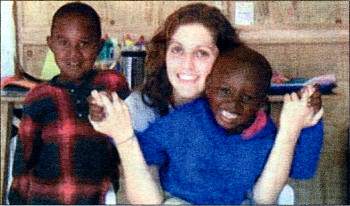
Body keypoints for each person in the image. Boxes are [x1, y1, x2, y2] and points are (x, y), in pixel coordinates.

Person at [89, 3, 323, 204]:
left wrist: (301, 124)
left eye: (201, 53)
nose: (186, 64)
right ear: (165, 53)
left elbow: (266, 194)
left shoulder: (245, 115)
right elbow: (148, 200)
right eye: (177, 49)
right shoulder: (145, 108)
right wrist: (120, 133)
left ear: (224, 59)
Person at [8, 2, 129, 204]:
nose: (73, 54)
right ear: (51, 44)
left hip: (100, 199)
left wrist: (111, 110)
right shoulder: (40, 96)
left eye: (84, 43)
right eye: (64, 42)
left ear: (98, 46)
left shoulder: (112, 83)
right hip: (46, 199)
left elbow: (133, 139)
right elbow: (24, 162)